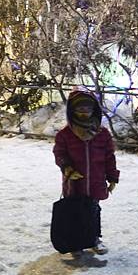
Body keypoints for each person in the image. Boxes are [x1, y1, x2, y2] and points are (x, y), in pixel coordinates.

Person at [53, 87, 119, 255]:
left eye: (88, 109)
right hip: (74, 181)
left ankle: (94, 238)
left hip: (96, 180)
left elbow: (109, 157)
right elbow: (59, 154)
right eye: (80, 109)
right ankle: (76, 243)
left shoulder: (102, 134)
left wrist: (112, 177)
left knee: (93, 210)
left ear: (94, 109)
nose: (84, 113)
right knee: (75, 211)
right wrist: (67, 168)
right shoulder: (65, 134)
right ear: (72, 110)